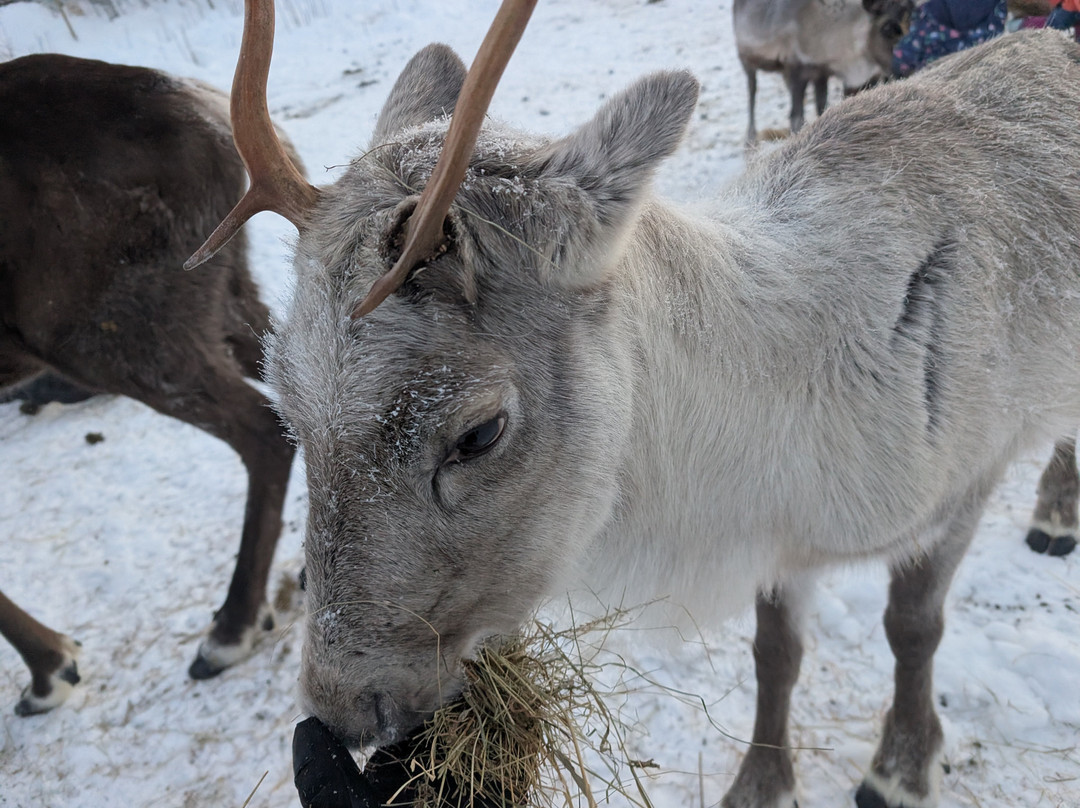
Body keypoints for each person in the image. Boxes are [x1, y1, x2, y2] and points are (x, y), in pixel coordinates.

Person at [892, 0, 1008, 76]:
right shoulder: (999, 9)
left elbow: (904, 55)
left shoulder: (928, 18)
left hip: (931, 84)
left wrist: (898, 68)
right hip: (976, 76)